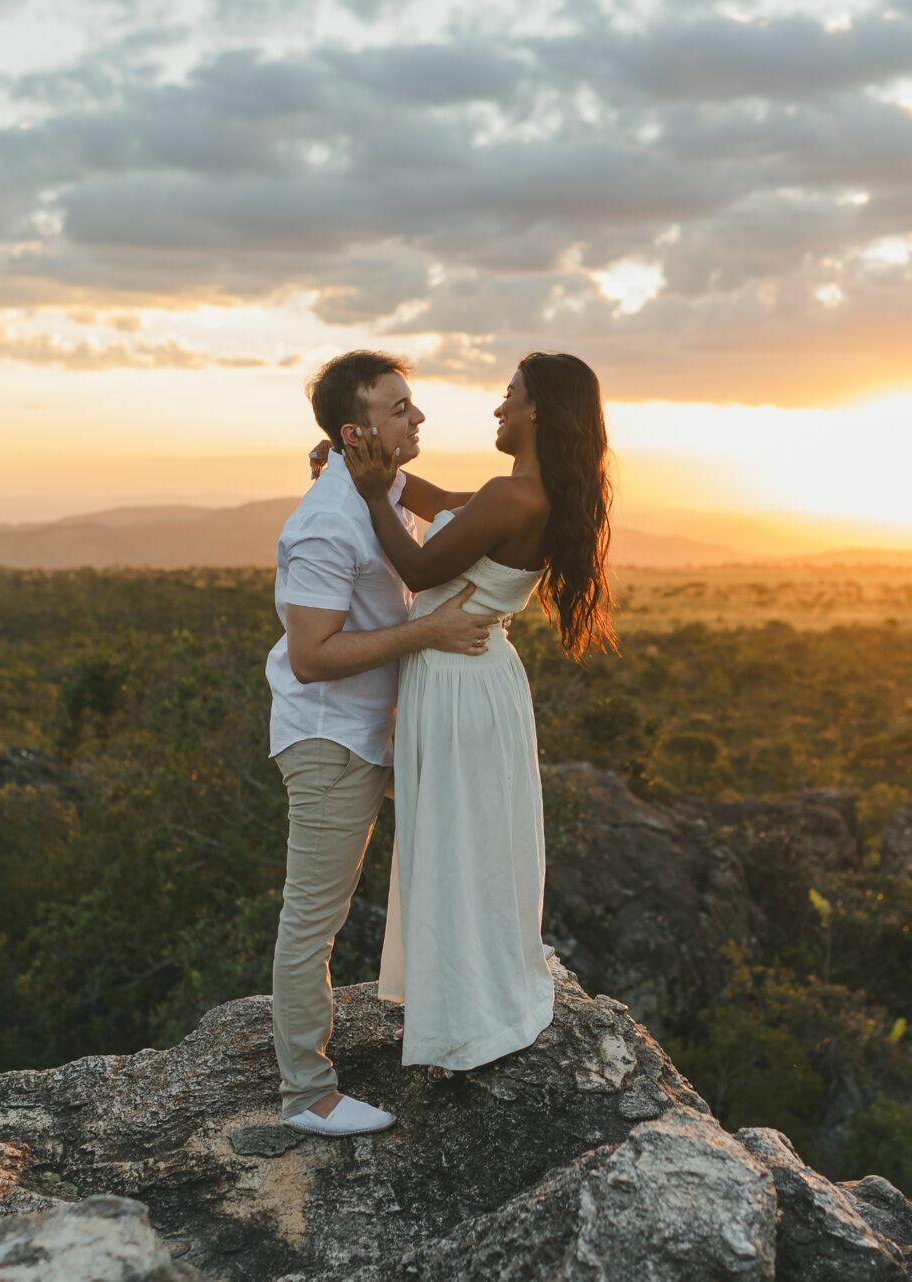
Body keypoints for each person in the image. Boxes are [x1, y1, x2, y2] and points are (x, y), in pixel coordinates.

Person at [340, 351, 618, 1074]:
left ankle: (465, 1011)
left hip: (458, 677)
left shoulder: (512, 494)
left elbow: (421, 568)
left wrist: (373, 497)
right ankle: (471, 991)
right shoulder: (526, 493)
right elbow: (436, 504)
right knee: (475, 841)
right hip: (475, 671)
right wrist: (374, 467)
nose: (497, 408)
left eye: (509, 395)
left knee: (458, 840)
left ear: (539, 413)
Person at [266, 350, 507, 1137]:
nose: (418, 417)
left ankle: (479, 994)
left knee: (459, 836)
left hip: (377, 729)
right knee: (314, 917)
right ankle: (305, 1092)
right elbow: (310, 656)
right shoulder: (326, 525)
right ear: (354, 431)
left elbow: (475, 508)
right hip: (331, 741)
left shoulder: (379, 485)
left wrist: (552, 491)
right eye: (400, 407)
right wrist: (429, 630)